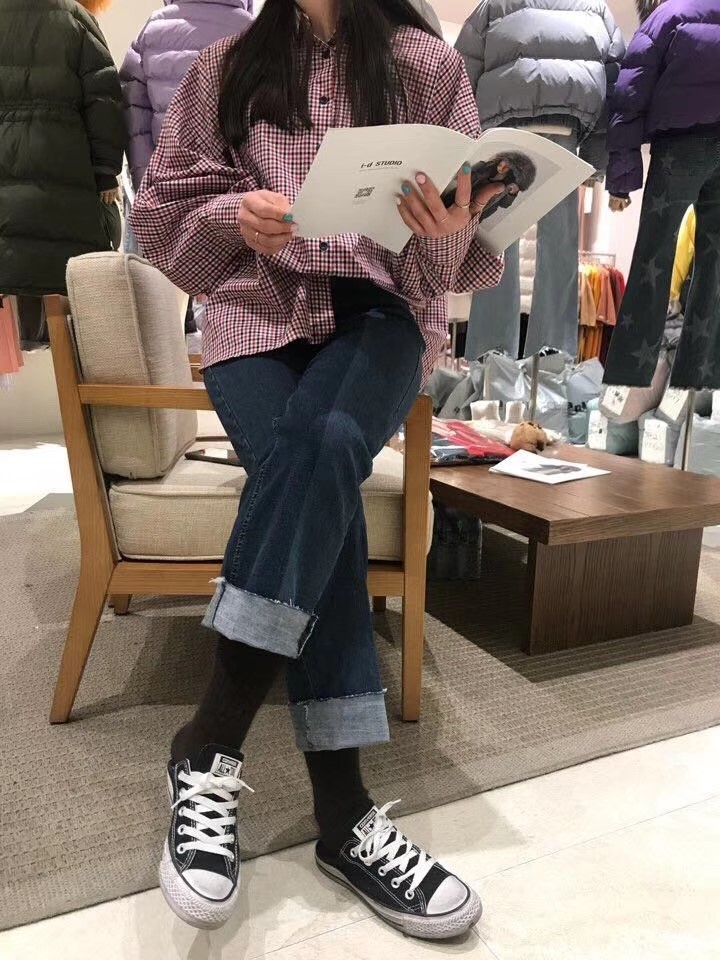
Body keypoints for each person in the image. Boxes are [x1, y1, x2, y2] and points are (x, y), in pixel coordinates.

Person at [131, 0, 505, 937]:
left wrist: (442, 228)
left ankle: (208, 741)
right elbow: (160, 215)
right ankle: (343, 815)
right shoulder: (224, 66)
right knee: (315, 472)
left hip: (382, 314)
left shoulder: (426, 66)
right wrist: (234, 215)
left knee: (327, 442)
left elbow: (464, 261)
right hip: (255, 313)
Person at [456, 0, 625, 361]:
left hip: (505, 122)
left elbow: (463, 72)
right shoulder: (597, 9)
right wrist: (596, 163)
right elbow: (614, 87)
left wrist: (464, 153)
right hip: (568, 123)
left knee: (496, 240)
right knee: (560, 246)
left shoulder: (495, 5)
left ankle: (490, 361)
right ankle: (552, 363)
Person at [603, 0, 720, 391]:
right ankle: (699, 382)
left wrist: (622, 176)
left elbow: (629, 94)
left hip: (679, 148)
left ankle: (628, 380)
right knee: (715, 266)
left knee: (654, 254)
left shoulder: (669, 15)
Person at [0, 0, 125, 303]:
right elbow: (103, 100)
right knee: (68, 306)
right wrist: (105, 170)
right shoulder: (75, 18)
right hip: (67, 179)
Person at [121, 0, 255, 191]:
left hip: (168, 184)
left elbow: (133, 109)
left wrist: (145, 181)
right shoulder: (254, 32)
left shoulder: (154, 27)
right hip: (236, 189)